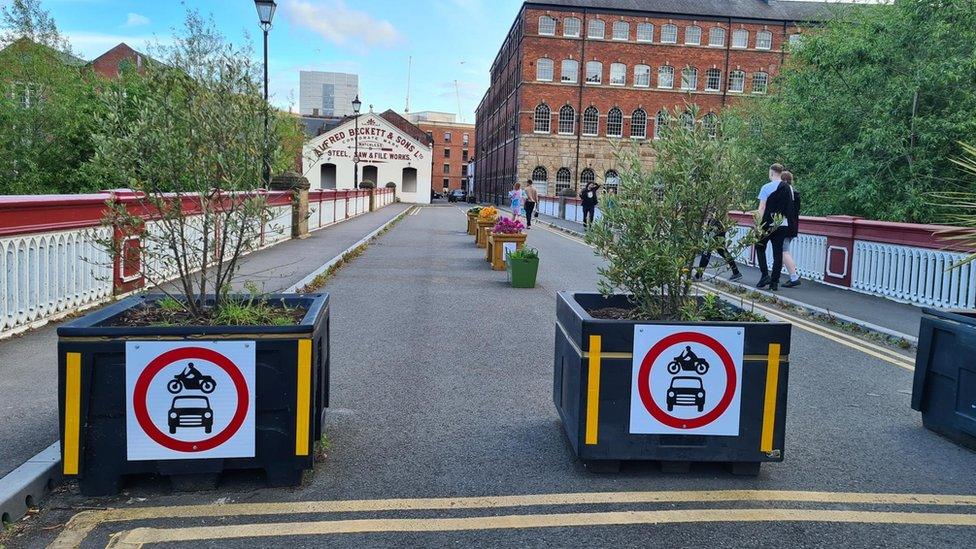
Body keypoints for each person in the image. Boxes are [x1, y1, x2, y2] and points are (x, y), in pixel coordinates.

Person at [759, 171, 796, 291]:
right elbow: (791, 207)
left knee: (760, 247)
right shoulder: (788, 189)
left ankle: (765, 275)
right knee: (778, 253)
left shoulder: (766, 187)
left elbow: (762, 207)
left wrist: (758, 224)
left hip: (768, 223)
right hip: (782, 223)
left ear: (771, 172)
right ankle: (774, 282)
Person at [781, 171, 802, 288]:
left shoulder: (786, 193)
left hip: (786, 225)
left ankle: (794, 277)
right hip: (793, 225)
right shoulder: (795, 194)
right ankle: (779, 275)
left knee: (784, 251)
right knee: (782, 251)